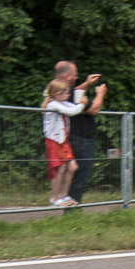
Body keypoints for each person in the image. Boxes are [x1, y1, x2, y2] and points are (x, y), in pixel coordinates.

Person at [53, 61, 106, 204]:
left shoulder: (57, 91)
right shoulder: (65, 93)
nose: (76, 78)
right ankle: (72, 210)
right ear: (67, 76)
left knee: (72, 173)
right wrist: (100, 94)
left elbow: (74, 93)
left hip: (72, 138)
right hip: (81, 138)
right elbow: (94, 110)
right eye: (75, 75)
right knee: (79, 176)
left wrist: (87, 83)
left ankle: (69, 205)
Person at [41, 78, 88, 206]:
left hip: (63, 140)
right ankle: (55, 198)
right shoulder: (52, 104)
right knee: (60, 169)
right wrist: (82, 105)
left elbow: (73, 107)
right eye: (66, 93)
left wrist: (81, 104)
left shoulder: (61, 103)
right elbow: (72, 111)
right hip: (54, 140)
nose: (68, 95)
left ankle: (64, 195)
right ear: (57, 94)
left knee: (73, 167)